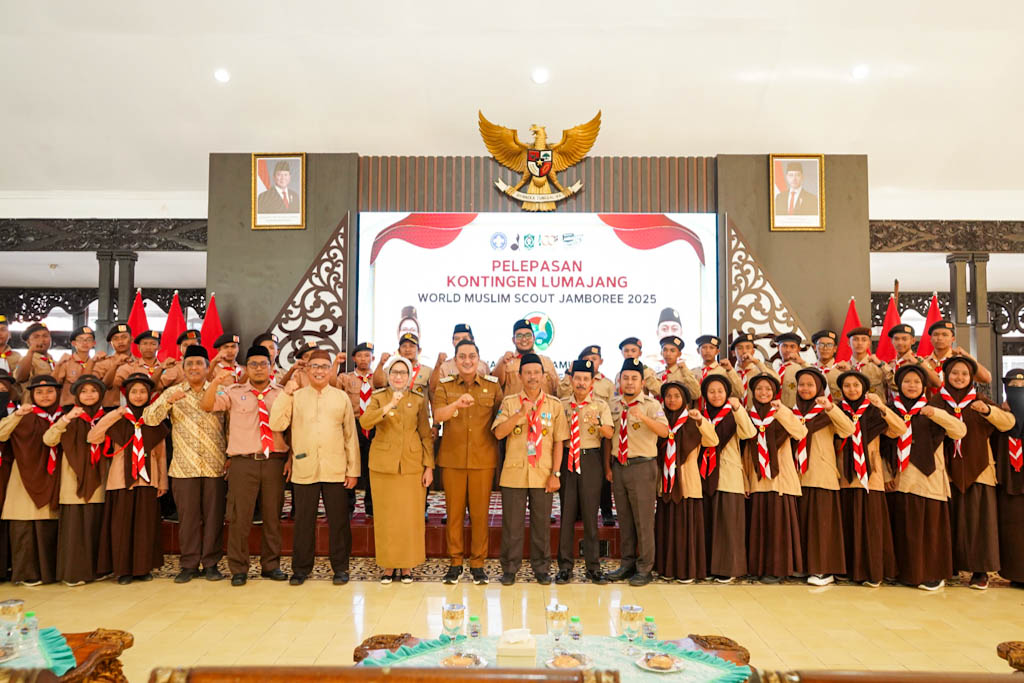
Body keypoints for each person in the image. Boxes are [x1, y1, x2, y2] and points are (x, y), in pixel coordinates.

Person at [201, 345, 289, 586]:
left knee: (272, 516)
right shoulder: (232, 392)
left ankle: (271, 565)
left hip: (274, 462)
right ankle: (239, 568)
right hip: (243, 463)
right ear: (246, 368)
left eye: (263, 364)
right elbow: (207, 405)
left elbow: (292, 429)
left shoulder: (282, 394)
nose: (259, 369)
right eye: (253, 365)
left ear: (271, 367)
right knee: (240, 517)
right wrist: (214, 382)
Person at [271, 349, 360, 586]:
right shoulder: (296, 396)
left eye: (324, 366)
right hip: (304, 468)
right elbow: (276, 423)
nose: (319, 371)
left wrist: (353, 470)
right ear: (307, 370)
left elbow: (350, 436)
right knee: (303, 521)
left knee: (339, 522)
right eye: (315, 366)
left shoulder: (340, 397)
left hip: (336, 469)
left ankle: (340, 568)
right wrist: (285, 394)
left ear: (331, 370)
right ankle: (301, 569)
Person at [143, 345, 228, 583]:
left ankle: (211, 564)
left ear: (207, 367)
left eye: (199, 363)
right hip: (183, 467)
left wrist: (230, 456)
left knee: (214, 518)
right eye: (189, 363)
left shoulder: (220, 391)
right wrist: (168, 402)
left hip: (215, 465)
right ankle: (189, 564)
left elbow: (231, 425)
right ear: (183, 367)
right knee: (188, 520)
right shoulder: (174, 391)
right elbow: (149, 418)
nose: (194, 367)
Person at [933, 356, 1014, 590]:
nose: (959, 377)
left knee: (980, 521)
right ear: (946, 376)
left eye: (964, 374)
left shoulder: (980, 400)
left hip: (980, 470)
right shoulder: (938, 401)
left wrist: (988, 411)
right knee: (951, 520)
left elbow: (1007, 423)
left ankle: (980, 571)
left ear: (971, 378)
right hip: (947, 471)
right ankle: (951, 566)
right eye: (954, 373)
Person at [884, 364, 965, 590]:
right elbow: (882, 444)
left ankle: (932, 574)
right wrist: (885, 473)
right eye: (907, 381)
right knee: (903, 527)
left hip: (928, 478)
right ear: (899, 385)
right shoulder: (891, 410)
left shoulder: (934, 408)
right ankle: (905, 572)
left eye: (917, 382)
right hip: (900, 478)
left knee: (929, 528)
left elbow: (959, 431)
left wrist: (936, 413)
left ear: (924, 386)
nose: (912, 386)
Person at [492, 353, 568, 585]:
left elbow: (559, 442)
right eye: (528, 373)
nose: (532, 377)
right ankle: (509, 568)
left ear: (543, 376)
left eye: (536, 372)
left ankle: (542, 568)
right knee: (512, 526)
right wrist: (520, 414)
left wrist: (556, 474)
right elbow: (498, 433)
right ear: (520, 376)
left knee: (541, 526)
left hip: (543, 473)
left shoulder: (554, 405)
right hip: (514, 473)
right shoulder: (510, 402)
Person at [432, 339, 502, 585]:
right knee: (454, 515)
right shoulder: (445, 386)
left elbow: (500, 418)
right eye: (462, 356)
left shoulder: (492, 386)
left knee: (480, 516)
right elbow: (438, 415)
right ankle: (455, 562)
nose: (467, 361)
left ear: (479, 359)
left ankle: (478, 564)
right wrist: (456, 404)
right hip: (453, 459)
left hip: (483, 460)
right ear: (455, 360)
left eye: (472, 356)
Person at [88, 373, 169, 584]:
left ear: (149, 395)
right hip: (120, 481)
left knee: (144, 526)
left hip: (148, 480)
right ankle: (122, 570)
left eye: (143, 392)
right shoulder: (118, 419)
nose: (138, 396)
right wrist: (116, 413)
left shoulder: (153, 420)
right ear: (126, 394)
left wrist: (162, 482)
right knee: (121, 526)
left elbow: (161, 454)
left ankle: (142, 568)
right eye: (134, 392)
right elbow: (93, 437)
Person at [359, 356, 433, 584]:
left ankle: (408, 565)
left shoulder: (418, 399)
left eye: (403, 372)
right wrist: (389, 405)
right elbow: (365, 422)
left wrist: (429, 466)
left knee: (410, 517)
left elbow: (425, 434)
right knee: (387, 518)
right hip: (383, 465)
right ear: (388, 375)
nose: (398, 376)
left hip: (412, 464)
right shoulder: (378, 397)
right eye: (394, 372)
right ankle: (388, 565)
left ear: (410, 376)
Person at [835, 370, 905, 587]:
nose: (852, 390)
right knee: (848, 522)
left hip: (870, 475)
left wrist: (882, 407)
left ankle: (873, 571)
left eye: (856, 385)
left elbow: (899, 429)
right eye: (847, 386)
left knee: (871, 524)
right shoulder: (838, 410)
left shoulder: (874, 412)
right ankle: (848, 570)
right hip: (845, 474)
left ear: (864, 388)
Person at [606, 358, 670, 587]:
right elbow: (609, 438)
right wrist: (608, 468)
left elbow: (664, 432)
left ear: (642, 382)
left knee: (643, 520)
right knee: (624, 519)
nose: (630, 382)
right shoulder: (613, 404)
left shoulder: (651, 405)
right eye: (626, 378)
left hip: (642, 467)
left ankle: (645, 568)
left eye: (634, 378)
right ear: (619, 381)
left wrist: (643, 417)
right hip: (619, 466)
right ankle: (627, 564)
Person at [43, 374, 108, 586]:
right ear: (77, 395)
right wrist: (66, 419)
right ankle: (73, 573)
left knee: (94, 525)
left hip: (99, 479)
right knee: (75, 529)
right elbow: (49, 440)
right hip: (73, 480)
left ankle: (96, 571)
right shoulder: (68, 417)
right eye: (84, 391)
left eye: (93, 391)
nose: (89, 395)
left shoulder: (105, 417)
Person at [791, 367, 854, 586]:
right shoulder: (793, 412)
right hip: (797, 476)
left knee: (821, 525)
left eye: (810, 385)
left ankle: (823, 569)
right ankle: (804, 566)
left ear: (819, 387)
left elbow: (848, 429)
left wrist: (831, 408)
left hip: (821, 475)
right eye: (801, 385)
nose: (805, 389)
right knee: (802, 524)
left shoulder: (827, 413)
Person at [0, 374, 62, 585]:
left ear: (58, 393)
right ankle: (27, 574)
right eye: (39, 392)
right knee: (23, 525)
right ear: (31, 395)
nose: (45, 396)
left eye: (50, 391)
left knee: (48, 525)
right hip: (23, 476)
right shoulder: (23, 415)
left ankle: (49, 572)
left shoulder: (63, 416)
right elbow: (1, 434)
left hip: (52, 475)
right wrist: (17, 415)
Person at [744, 373, 806, 583]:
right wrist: (746, 481)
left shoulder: (782, 413)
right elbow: (745, 450)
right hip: (758, 478)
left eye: (768, 389)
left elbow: (800, 432)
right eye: (759, 389)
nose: (763, 393)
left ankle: (779, 569)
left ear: (775, 393)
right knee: (760, 526)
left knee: (779, 526)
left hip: (781, 479)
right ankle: (759, 568)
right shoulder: (749, 416)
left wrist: (782, 411)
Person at [555, 358, 613, 585]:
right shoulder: (561, 405)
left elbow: (609, 433)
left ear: (592, 382)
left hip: (590, 459)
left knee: (590, 515)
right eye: (577, 378)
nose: (581, 383)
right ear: (571, 380)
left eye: (585, 379)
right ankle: (565, 567)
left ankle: (593, 567)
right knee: (567, 514)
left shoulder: (600, 405)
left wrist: (598, 424)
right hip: (567, 458)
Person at [653, 381, 717, 583]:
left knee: (685, 526)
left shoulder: (692, 421)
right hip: (665, 482)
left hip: (687, 483)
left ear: (685, 400)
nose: (672, 400)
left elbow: (712, 441)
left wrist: (701, 421)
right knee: (667, 525)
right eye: (668, 396)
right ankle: (667, 568)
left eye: (677, 396)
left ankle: (687, 570)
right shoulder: (660, 421)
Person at [698, 374, 755, 583]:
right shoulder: (701, 416)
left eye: (720, 391)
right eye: (711, 392)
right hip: (704, 474)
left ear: (727, 393)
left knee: (729, 524)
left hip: (729, 475)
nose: (716, 395)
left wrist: (738, 408)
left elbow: (749, 433)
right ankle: (709, 566)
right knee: (708, 522)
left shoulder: (733, 414)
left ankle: (729, 568)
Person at [339, 342, 377, 516]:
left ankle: (371, 506)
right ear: (354, 358)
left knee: (372, 466)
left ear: (372, 358)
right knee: (350, 465)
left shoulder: (378, 378)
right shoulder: (345, 378)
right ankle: (348, 506)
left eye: (367, 355)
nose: (364, 359)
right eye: (360, 355)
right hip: (353, 424)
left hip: (374, 426)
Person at [997, 369, 1024, 588]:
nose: (1018, 392)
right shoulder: (1000, 415)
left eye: (1022, 388)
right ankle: (1015, 573)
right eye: (1013, 387)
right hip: (1007, 483)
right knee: (1011, 530)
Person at [493, 320, 559, 396]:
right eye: (519, 336)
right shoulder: (505, 361)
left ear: (534, 338)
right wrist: (502, 363)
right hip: (514, 404)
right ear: (513, 340)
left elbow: (557, 390)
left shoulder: (547, 362)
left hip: (544, 404)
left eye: (528, 335)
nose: (524, 339)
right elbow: (494, 387)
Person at [922, 320, 993, 388]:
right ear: (930, 339)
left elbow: (986, 378)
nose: (940, 338)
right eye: (936, 334)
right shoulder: (924, 362)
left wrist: (967, 357)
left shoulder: (961, 360)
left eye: (944, 335)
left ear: (953, 339)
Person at [428, 324, 489, 396]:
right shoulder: (444, 367)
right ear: (453, 342)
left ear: (472, 340)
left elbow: (490, 389)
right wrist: (437, 365)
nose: (460, 341)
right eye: (457, 339)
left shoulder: (483, 366)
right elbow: (434, 390)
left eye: (465, 338)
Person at [883, 324, 940, 396]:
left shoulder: (919, 361)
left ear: (913, 341)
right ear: (892, 341)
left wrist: (918, 363)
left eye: (904, 339)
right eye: (896, 339)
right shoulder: (891, 364)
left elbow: (937, 383)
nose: (900, 343)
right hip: (892, 403)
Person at [53, 325, 101, 408]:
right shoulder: (66, 362)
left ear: (94, 343)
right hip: (69, 406)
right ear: (73, 343)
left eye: (89, 340)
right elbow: (54, 384)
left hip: (91, 406)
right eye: (80, 340)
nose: (85, 343)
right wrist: (58, 365)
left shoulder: (98, 363)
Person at [834, 327, 887, 399]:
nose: (859, 343)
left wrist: (881, 365)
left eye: (864, 340)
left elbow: (895, 386)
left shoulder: (879, 366)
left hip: (875, 405)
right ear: (849, 343)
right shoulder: (841, 368)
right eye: (855, 339)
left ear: (869, 343)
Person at [729, 333, 776, 408]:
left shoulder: (760, 370)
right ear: (733, 353)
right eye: (740, 348)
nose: (744, 351)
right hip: (735, 412)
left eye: (748, 348)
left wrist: (756, 362)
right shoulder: (729, 373)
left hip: (756, 413)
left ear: (753, 352)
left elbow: (777, 381)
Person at [94, 322, 134, 409]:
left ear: (131, 339)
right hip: (109, 410)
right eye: (115, 339)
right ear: (110, 343)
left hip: (135, 409)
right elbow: (96, 387)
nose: (120, 341)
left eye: (124, 337)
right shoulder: (102, 364)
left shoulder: (139, 364)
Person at [0, 369, 16, 582]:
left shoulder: (17, 410)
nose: (1, 391)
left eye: (4, 388)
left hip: (8, 466)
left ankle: (6, 566)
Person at [652, 336, 700, 402]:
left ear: (679, 354)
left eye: (672, 351)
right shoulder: (658, 375)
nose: (668, 354)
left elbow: (696, 394)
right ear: (661, 353)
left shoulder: (684, 374)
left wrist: (685, 370)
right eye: (665, 350)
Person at [773, 332, 807, 408]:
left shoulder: (801, 370)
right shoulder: (774, 369)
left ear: (798, 349)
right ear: (778, 347)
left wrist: (802, 362)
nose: (788, 350)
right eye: (784, 346)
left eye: (792, 347)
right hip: (772, 411)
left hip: (793, 411)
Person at [811, 330, 842, 400]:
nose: (825, 348)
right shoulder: (809, 370)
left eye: (829, 345)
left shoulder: (842, 371)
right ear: (815, 347)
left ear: (835, 349)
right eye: (821, 344)